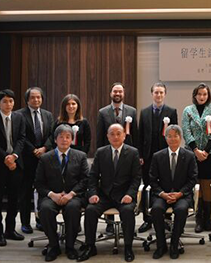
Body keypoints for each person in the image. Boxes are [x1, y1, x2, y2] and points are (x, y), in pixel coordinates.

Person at [78, 124, 142, 262]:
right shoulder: (101, 152)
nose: (115, 136)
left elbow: (136, 178)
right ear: (107, 136)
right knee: (90, 210)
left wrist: (130, 195)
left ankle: (128, 247)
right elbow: (93, 176)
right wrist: (93, 193)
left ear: (124, 135)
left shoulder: (133, 152)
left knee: (127, 212)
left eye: (119, 133)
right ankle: (90, 246)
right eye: (112, 134)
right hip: (104, 195)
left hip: (124, 195)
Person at [34, 124, 89, 261]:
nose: (64, 140)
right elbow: (39, 183)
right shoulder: (45, 158)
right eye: (61, 137)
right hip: (52, 195)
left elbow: (85, 180)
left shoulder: (81, 156)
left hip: (73, 195)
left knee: (72, 208)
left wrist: (71, 194)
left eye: (68, 137)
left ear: (72, 139)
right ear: (55, 139)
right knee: (45, 209)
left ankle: (70, 246)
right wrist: (52, 194)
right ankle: (54, 246)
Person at [0, 89, 26, 246]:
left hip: (16, 164)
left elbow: (22, 138)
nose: (8, 104)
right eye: (5, 101)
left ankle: (10, 229)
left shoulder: (19, 117)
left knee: (14, 199)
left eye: (11, 101)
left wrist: (14, 156)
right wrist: (5, 157)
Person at [149, 125, 198, 260]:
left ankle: (174, 245)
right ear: (166, 139)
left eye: (175, 136)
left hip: (182, 194)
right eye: (169, 136)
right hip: (162, 194)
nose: (172, 139)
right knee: (157, 209)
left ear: (180, 138)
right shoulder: (157, 156)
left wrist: (180, 194)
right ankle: (161, 245)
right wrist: (162, 194)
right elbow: (152, 180)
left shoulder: (188, 156)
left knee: (181, 209)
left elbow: (192, 179)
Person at [137, 82, 178, 233]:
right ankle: (147, 219)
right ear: (152, 94)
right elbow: (140, 135)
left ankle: (166, 220)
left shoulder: (171, 111)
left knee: (166, 185)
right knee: (148, 186)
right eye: (156, 92)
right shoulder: (145, 112)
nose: (158, 95)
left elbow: (175, 135)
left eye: (161, 92)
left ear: (165, 94)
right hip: (148, 157)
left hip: (165, 156)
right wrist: (140, 155)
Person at [181, 82, 211, 233]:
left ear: (208, 95)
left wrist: (205, 151)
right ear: (195, 95)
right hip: (192, 153)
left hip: (209, 153)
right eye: (199, 94)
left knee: (206, 184)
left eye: (205, 94)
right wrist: (196, 151)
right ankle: (198, 218)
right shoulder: (188, 110)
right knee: (195, 185)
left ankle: (207, 218)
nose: (202, 97)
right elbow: (186, 130)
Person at [17, 87, 54, 234]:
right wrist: (33, 150)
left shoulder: (48, 115)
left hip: (44, 159)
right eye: (33, 97)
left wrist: (44, 148)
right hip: (27, 159)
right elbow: (21, 136)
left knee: (43, 192)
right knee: (25, 192)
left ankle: (41, 221)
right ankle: (25, 223)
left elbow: (52, 135)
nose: (36, 100)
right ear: (27, 100)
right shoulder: (19, 115)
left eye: (38, 97)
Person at [97, 82, 138, 148]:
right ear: (111, 93)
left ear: (123, 94)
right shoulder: (102, 112)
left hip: (127, 151)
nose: (117, 94)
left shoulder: (132, 111)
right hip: (108, 151)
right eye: (115, 91)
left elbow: (135, 135)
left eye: (120, 91)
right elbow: (100, 137)